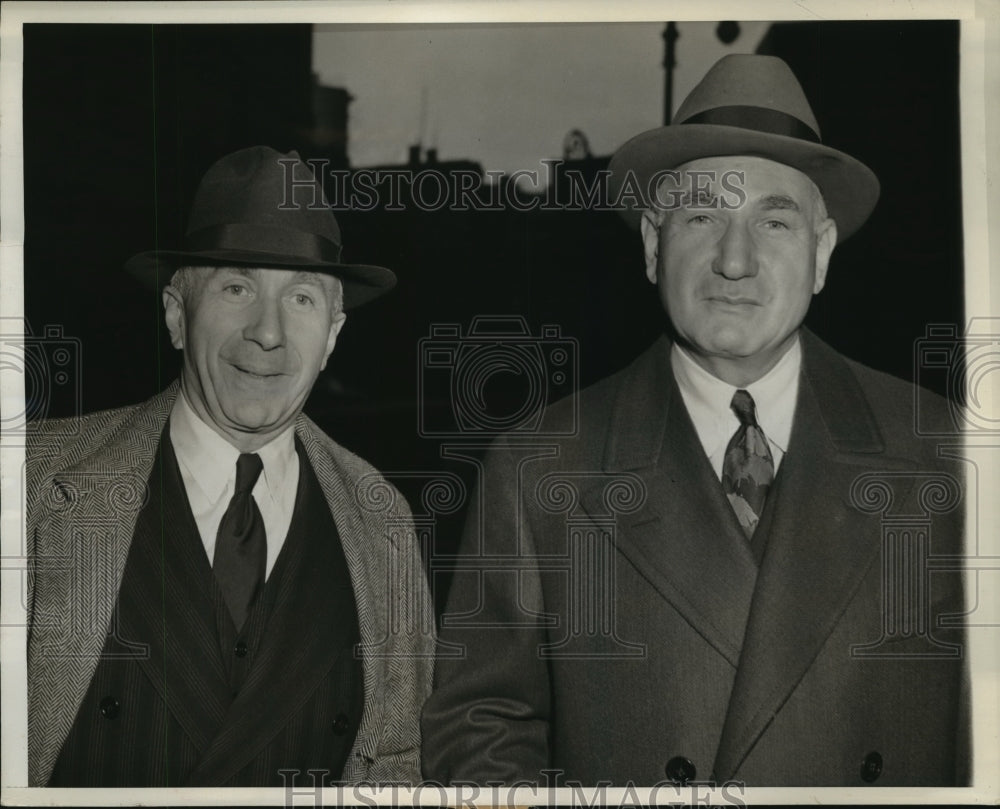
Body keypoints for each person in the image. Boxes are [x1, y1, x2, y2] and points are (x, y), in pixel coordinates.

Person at [421, 55, 968, 787]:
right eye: (703, 215)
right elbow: (478, 728)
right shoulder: (541, 465)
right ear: (653, 245)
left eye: (773, 221)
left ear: (822, 252)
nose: (734, 260)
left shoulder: (947, 450)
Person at [25, 146, 434, 787]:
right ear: (175, 314)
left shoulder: (381, 523)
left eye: (301, 299)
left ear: (332, 333)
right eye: (237, 287)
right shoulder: (29, 483)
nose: (268, 332)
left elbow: (397, 770)